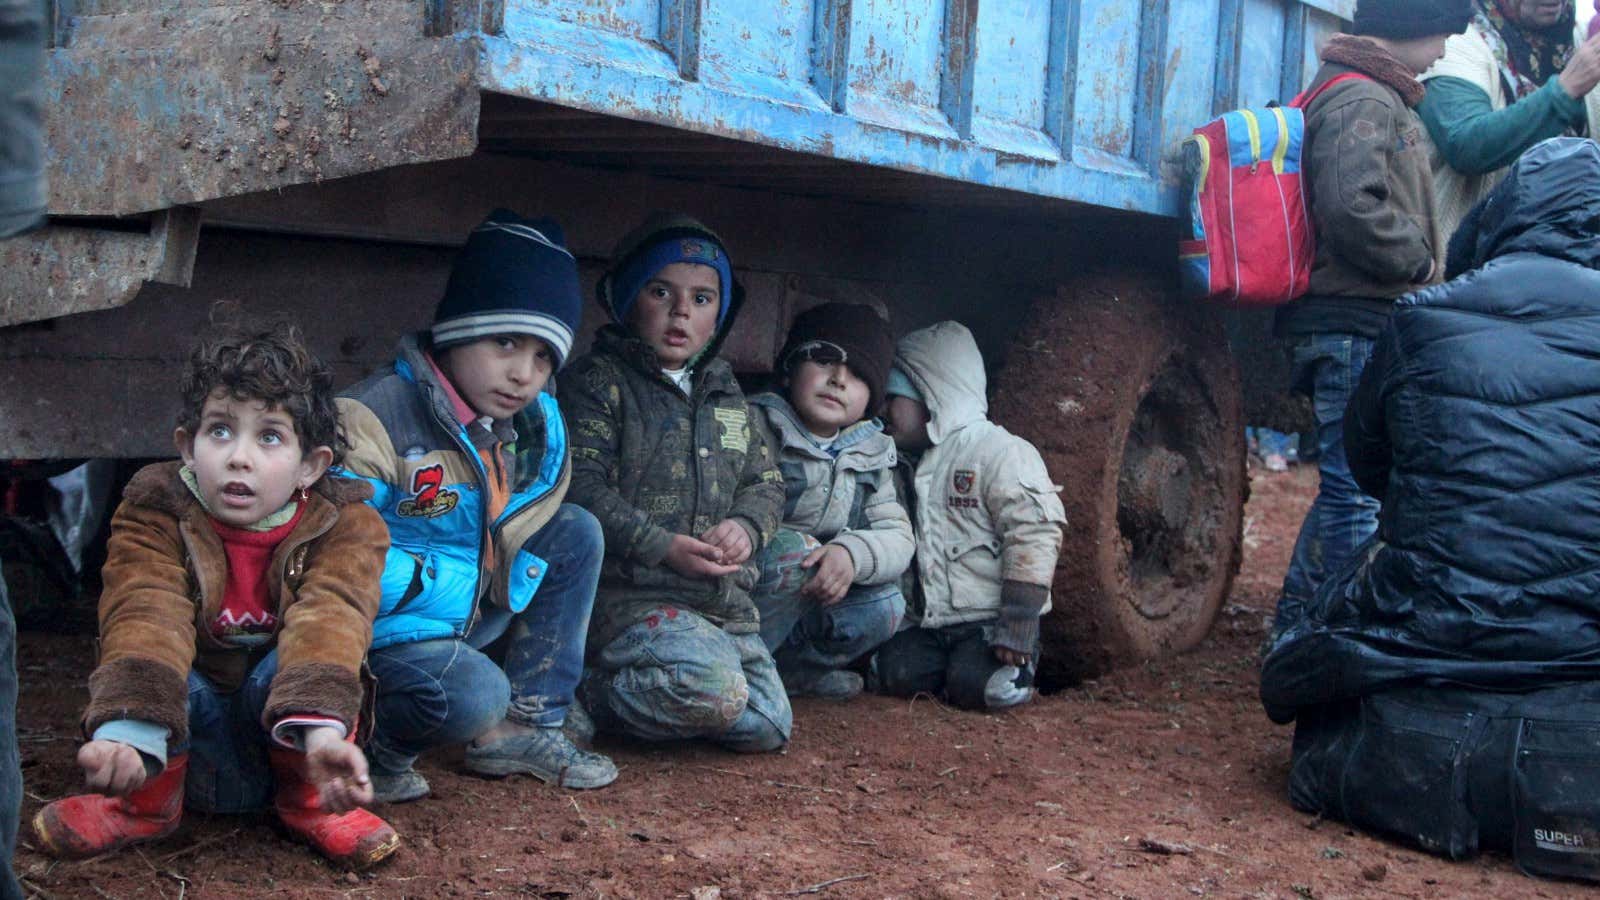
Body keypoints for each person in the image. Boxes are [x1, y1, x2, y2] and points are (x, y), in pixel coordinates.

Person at [1261, 137, 1600, 877]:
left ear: (1502, 216)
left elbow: (1369, 459)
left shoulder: (1423, 318)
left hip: (1431, 628)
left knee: (1320, 631)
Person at [31, 325, 399, 869]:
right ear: (187, 445)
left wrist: (323, 738)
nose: (238, 457)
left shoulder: (347, 525)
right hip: (176, 741)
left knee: (306, 654)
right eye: (220, 431)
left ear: (311, 466)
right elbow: (145, 607)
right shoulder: (154, 510)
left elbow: (333, 615)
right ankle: (143, 807)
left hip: (286, 740)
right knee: (165, 652)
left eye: (269, 436)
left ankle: (312, 805)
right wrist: (127, 733)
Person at [337, 210, 616, 796]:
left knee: (573, 532)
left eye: (543, 357)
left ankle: (525, 724)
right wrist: (449, 587)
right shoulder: (373, 415)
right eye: (506, 342)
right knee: (475, 693)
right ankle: (372, 747)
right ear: (457, 330)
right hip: (378, 639)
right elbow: (335, 557)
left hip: (458, 611)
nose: (523, 374)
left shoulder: (500, 427)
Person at [1270, 0, 1472, 640]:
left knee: (1349, 482)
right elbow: (1350, 205)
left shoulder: (1373, 93)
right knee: (1356, 491)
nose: (1444, 50)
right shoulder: (1366, 99)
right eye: (1442, 33)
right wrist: (1417, 263)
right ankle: (1344, 638)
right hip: (1354, 317)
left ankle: (1299, 629)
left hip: (1355, 316)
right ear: (1410, 28)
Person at [565, 212, 790, 751]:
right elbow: (580, 489)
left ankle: (679, 686)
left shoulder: (725, 392)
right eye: (661, 291)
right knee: (715, 692)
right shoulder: (597, 384)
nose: (681, 312)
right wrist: (661, 547)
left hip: (716, 601)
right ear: (624, 298)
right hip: (627, 600)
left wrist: (746, 526)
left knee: (767, 725)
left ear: (721, 314)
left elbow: (767, 481)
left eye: (703, 299)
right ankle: (586, 692)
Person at [870, 322, 1065, 711]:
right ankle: (949, 673)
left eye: (893, 396)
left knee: (984, 687)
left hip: (989, 624)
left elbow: (1035, 533)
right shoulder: (904, 463)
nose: (882, 410)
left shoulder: (1000, 452)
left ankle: (1012, 672)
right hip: (929, 622)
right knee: (890, 674)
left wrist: (1018, 624)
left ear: (931, 395)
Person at [748, 302, 912, 700]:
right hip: (747, 590)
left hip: (809, 592)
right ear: (789, 369)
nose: (838, 379)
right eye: (823, 360)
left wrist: (851, 553)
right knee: (796, 553)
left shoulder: (872, 452)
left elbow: (898, 535)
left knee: (887, 603)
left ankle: (790, 675)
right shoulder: (753, 425)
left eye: (858, 374)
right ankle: (738, 671)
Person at [1419, 0, 1600, 242]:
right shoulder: (1453, 40)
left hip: (1571, 252)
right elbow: (1464, 144)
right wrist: (1564, 92)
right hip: (1473, 261)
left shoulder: (1579, 35)